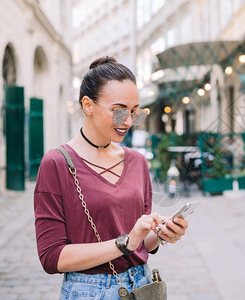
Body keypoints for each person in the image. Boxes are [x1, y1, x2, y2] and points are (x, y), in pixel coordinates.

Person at [34, 56, 188, 299]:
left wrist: (159, 233)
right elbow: (52, 257)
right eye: (118, 111)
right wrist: (124, 242)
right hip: (88, 291)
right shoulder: (57, 163)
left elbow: (140, 243)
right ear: (88, 105)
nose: (127, 122)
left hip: (143, 284)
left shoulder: (137, 161)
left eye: (135, 112)